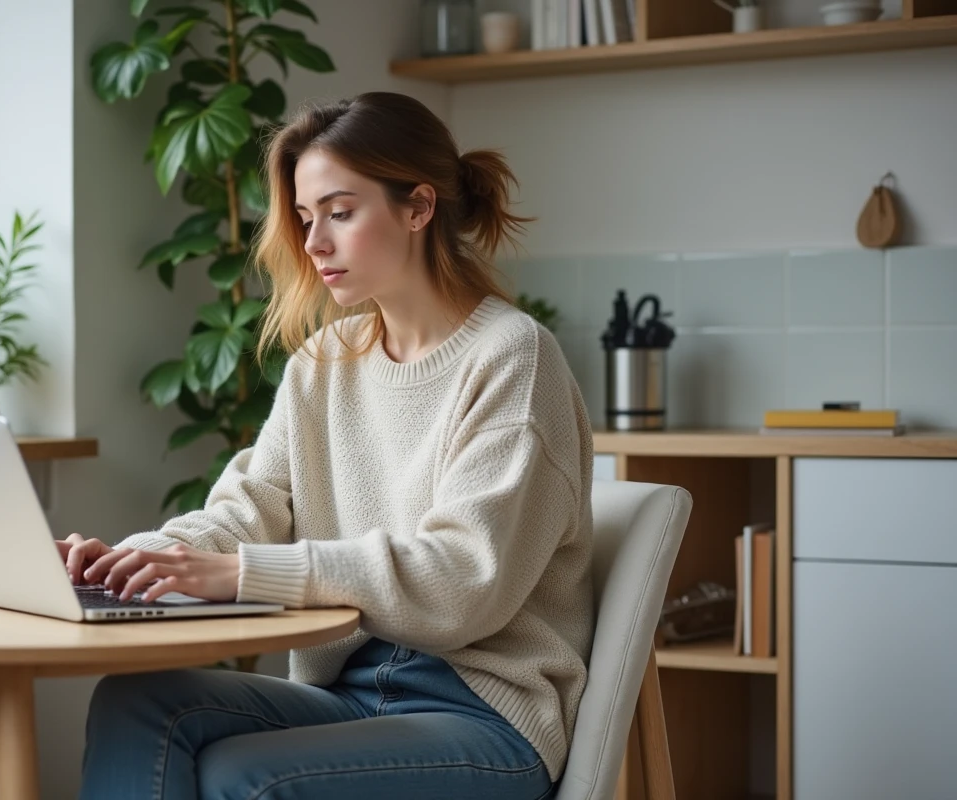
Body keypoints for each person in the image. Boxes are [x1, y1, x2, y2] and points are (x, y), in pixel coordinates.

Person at [58, 91, 595, 800]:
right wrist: (134, 561)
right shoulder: (325, 360)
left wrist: (242, 574)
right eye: (307, 218)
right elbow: (250, 507)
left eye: (339, 212)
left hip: (484, 715)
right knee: (136, 703)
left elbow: (462, 582)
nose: (313, 243)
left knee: (241, 778)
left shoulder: (513, 357)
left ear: (418, 208)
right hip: (349, 691)